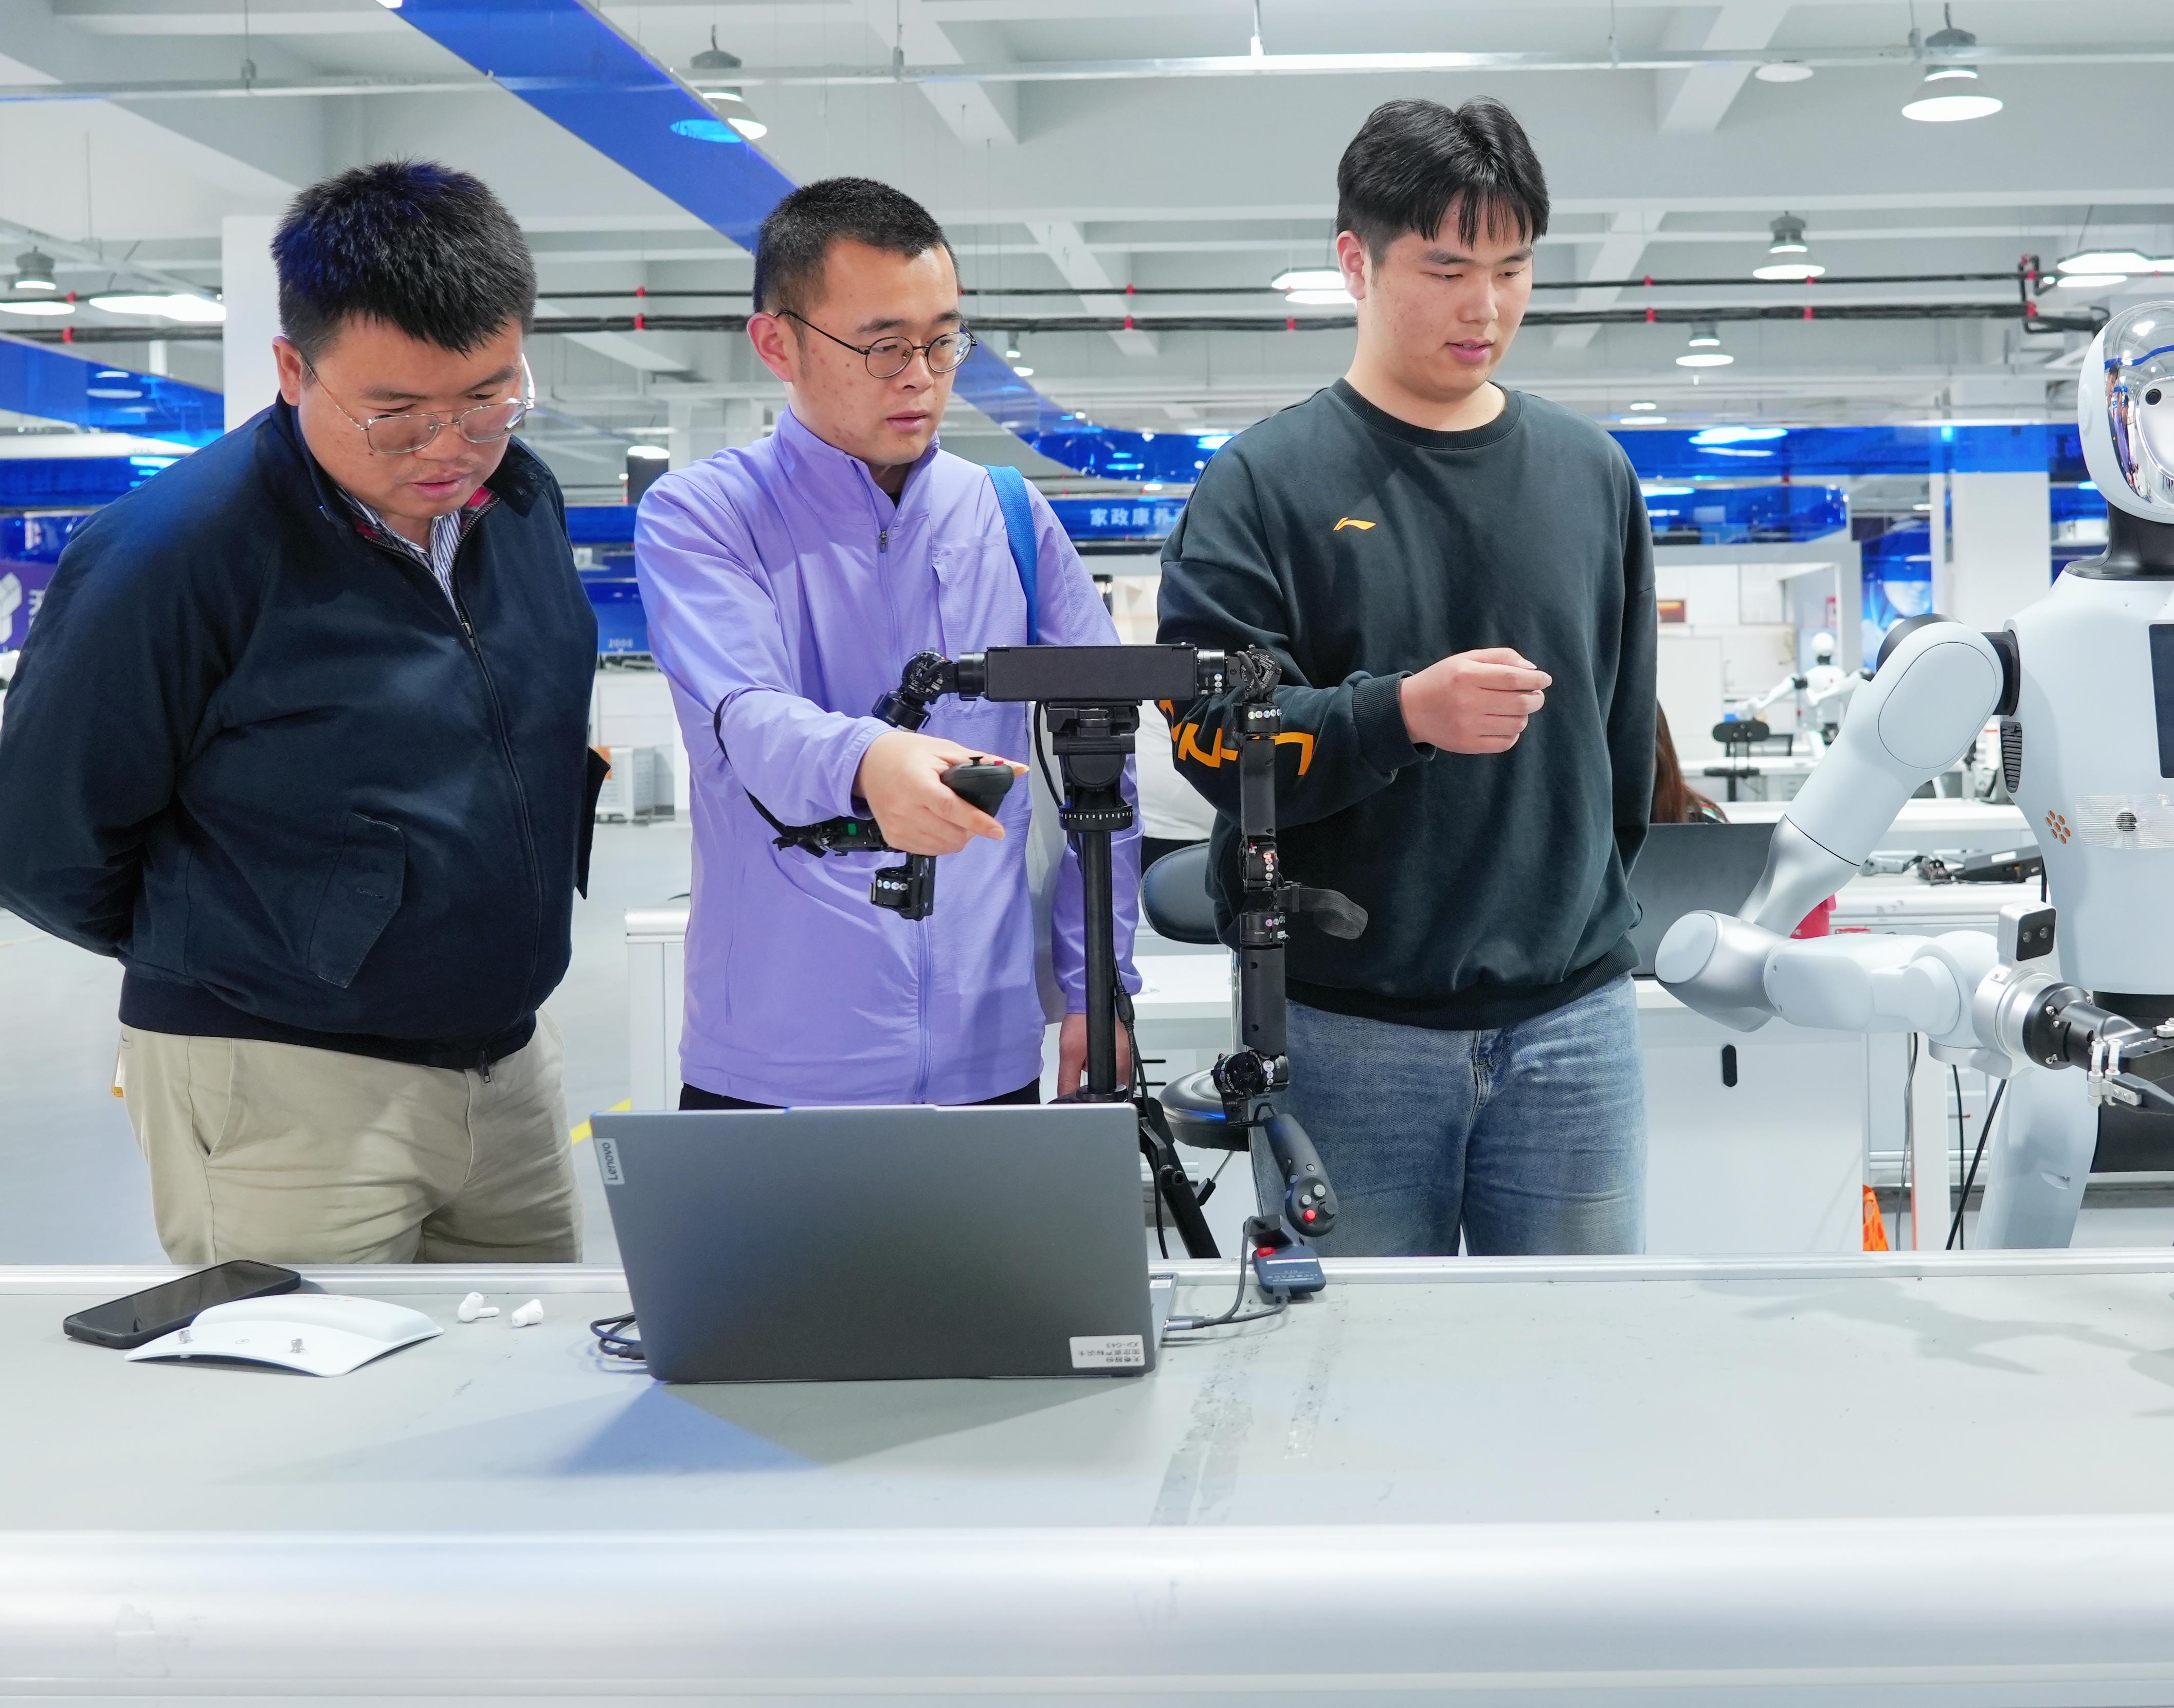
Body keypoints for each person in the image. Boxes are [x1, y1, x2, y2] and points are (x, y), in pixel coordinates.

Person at [0, 161, 597, 1266]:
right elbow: (37, 849)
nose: (449, 446)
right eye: (394, 412)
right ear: (291, 369)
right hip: (283, 1087)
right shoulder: (174, 555)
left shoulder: (522, 504)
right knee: (312, 1377)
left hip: (507, 1069)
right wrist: (261, 946)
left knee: (523, 1369)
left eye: (488, 398)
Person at [1157, 97, 1657, 1257]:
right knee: (1352, 1361)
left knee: (1584, 1352)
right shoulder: (1261, 486)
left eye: (1512, 268)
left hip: (1573, 1023)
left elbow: (1621, 745)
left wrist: (1572, 917)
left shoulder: (1591, 476)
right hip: (1348, 1034)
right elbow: (1213, 742)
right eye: (1445, 269)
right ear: (1356, 262)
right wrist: (1398, 714)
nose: (1486, 307)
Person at [637, 175, 1138, 1110]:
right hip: (777, 1061)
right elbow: (747, 715)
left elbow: (1102, 766)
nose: (921, 375)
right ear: (777, 343)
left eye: (943, 340)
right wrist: (870, 761)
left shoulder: (1011, 518)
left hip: (987, 1056)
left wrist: (1096, 983)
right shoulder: (704, 515)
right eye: (883, 346)